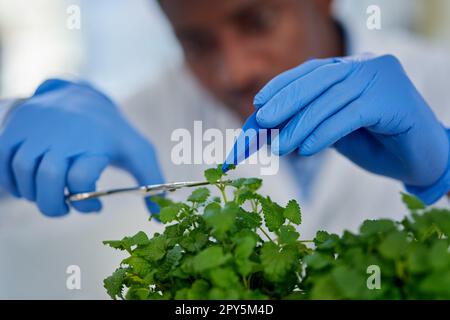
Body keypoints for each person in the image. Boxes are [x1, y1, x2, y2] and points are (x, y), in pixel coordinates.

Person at [1, 0, 450, 298]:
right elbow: (23, 233)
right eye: (195, 43)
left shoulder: (436, 79)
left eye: (257, 21)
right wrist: (7, 128)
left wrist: (445, 169)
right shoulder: (138, 121)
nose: (233, 71)